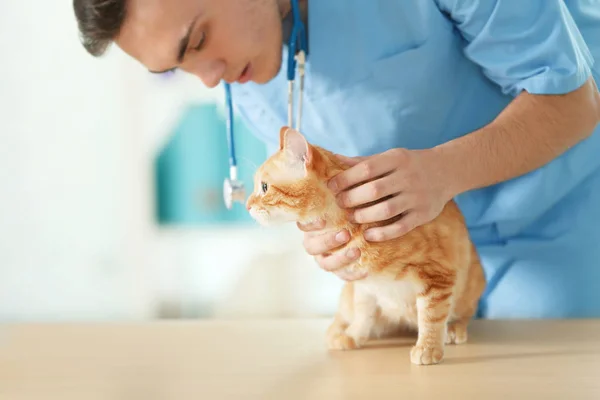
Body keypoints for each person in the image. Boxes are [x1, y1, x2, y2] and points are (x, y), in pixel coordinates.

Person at [72, 0, 600, 319]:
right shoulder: (244, 69)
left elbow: (574, 103)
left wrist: (443, 172)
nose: (208, 78)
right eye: (177, 65)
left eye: (201, 39)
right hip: (422, 268)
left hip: (559, 218)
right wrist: (333, 233)